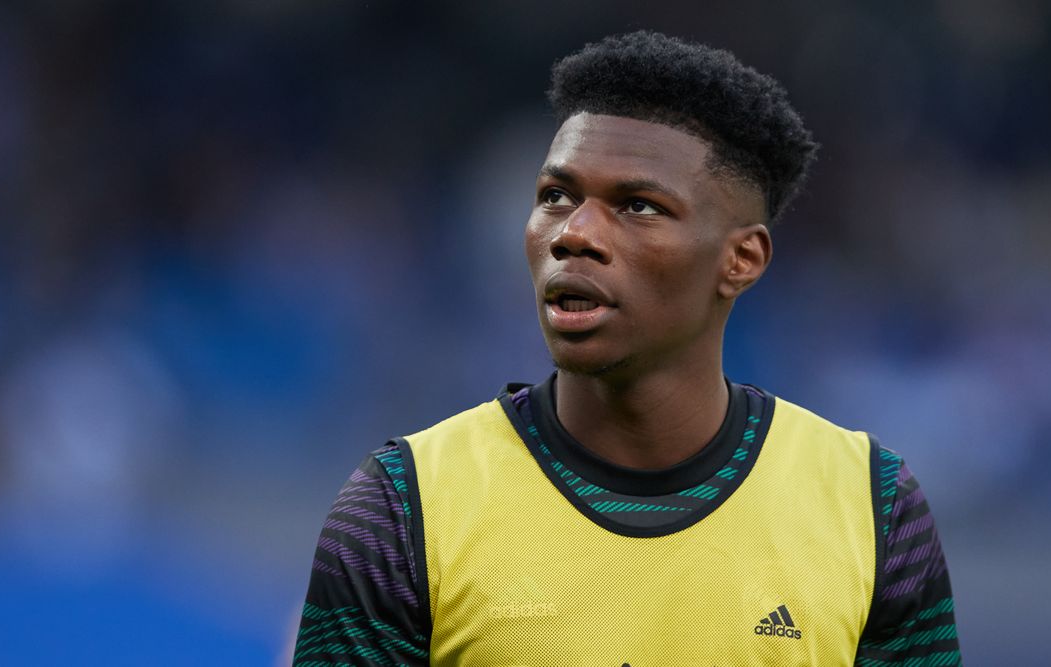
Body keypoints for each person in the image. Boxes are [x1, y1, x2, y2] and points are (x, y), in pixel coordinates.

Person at [294, 31, 960, 666]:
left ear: (741, 259)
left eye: (638, 206)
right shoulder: (404, 506)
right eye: (555, 196)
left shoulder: (871, 507)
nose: (574, 233)